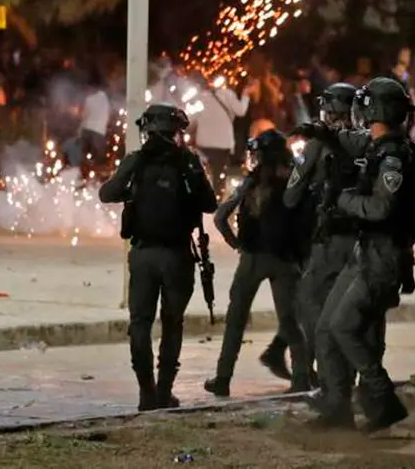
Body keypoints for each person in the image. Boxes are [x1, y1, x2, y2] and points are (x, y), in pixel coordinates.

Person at [303, 77, 415, 431]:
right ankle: (336, 408)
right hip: (365, 250)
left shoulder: (394, 155)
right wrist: (322, 132)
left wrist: (341, 199)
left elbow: (382, 208)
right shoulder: (380, 143)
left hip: (382, 256)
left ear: (377, 109)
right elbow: (352, 141)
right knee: (326, 328)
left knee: (344, 327)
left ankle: (382, 399)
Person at [99, 103, 217, 411]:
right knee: (172, 323)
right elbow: (210, 203)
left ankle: (146, 393)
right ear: (175, 132)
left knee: (140, 323)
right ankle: (164, 392)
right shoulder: (187, 162)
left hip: (143, 255)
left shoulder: (136, 161)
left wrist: (135, 192)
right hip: (177, 256)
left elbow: (106, 193)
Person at [204, 130, 311, 397]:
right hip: (287, 261)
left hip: (252, 259)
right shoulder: (296, 180)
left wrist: (236, 244)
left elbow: (220, 217)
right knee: (290, 324)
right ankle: (301, 381)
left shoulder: (251, 182)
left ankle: (223, 378)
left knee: (236, 321)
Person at [284, 83, 361, 388]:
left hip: (328, 240)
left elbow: (291, 196)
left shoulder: (318, 144)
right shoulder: (367, 141)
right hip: (361, 239)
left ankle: (314, 374)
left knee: (310, 302)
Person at [191, 78, 255, 195]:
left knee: (203, 172)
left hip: (204, 141)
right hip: (222, 142)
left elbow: (192, 119)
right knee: (219, 174)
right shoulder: (228, 95)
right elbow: (241, 111)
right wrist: (245, 95)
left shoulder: (201, 97)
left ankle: (202, 198)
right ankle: (217, 199)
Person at [79, 69, 111, 173]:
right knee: (98, 160)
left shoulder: (89, 99)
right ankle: (96, 180)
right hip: (100, 132)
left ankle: (83, 176)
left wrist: (79, 131)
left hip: (87, 131)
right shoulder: (106, 100)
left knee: (84, 158)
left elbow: (84, 117)